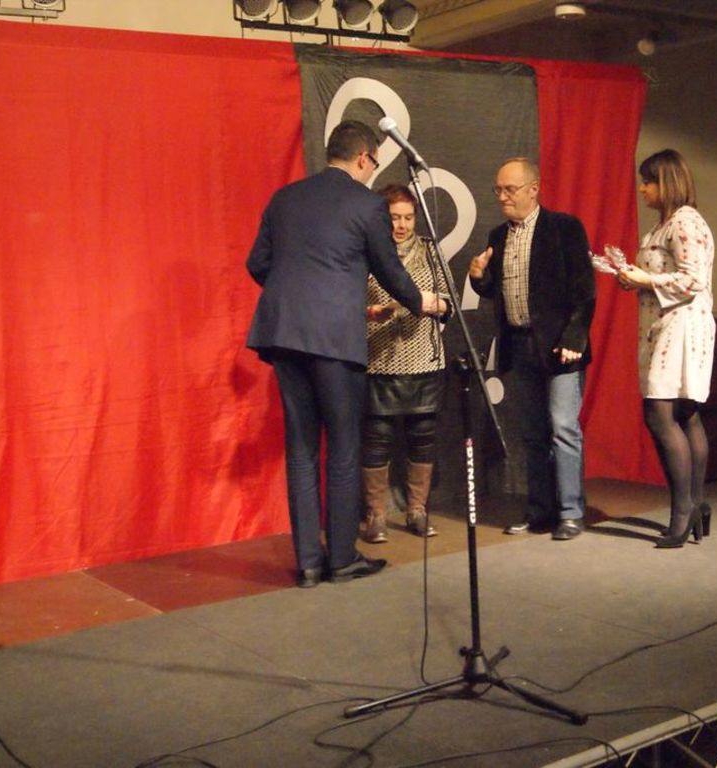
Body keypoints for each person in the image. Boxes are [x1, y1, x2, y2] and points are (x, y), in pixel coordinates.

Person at [246, 120, 443, 588]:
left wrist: (298, 296)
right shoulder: (366, 204)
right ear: (363, 158)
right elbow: (389, 269)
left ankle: (309, 564)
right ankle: (340, 559)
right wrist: (421, 302)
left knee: (301, 449)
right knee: (343, 445)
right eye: (373, 164)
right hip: (335, 337)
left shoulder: (285, 198)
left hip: (284, 333)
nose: (373, 172)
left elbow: (258, 263)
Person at [468, 158, 595, 541]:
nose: (502, 197)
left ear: (533, 189)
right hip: (519, 345)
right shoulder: (497, 235)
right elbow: (493, 291)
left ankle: (570, 512)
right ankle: (540, 510)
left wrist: (574, 339)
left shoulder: (564, 228)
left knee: (563, 427)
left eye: (510, 189)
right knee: (532, 433)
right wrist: (478, 278)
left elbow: (584, 290)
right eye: (498, 190)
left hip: (559, 348)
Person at [617, 149, 716, 549]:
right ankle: (695, 505)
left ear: (667, 183)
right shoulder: (663, 225)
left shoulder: (685, 223)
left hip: (682, 326)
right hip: (662, 325)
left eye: (648, 182)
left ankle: (683, 509)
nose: (642, 189)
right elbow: (659, 275)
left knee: (661, 414)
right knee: (685, 414)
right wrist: (632, 277)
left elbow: (692, 280)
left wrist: (643, 279)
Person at [360, 184, 450, 543]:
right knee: (377, 439)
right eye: (394, 217)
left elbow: (449, 301)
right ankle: (376, 515)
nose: (401, 225)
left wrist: (433, 304)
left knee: (422, 437)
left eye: (408, 218)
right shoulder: (367, 250)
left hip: (423, 358)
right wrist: (371, 312)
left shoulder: (430, 250)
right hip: (379, 358)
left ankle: (417, 510)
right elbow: (348, 301)